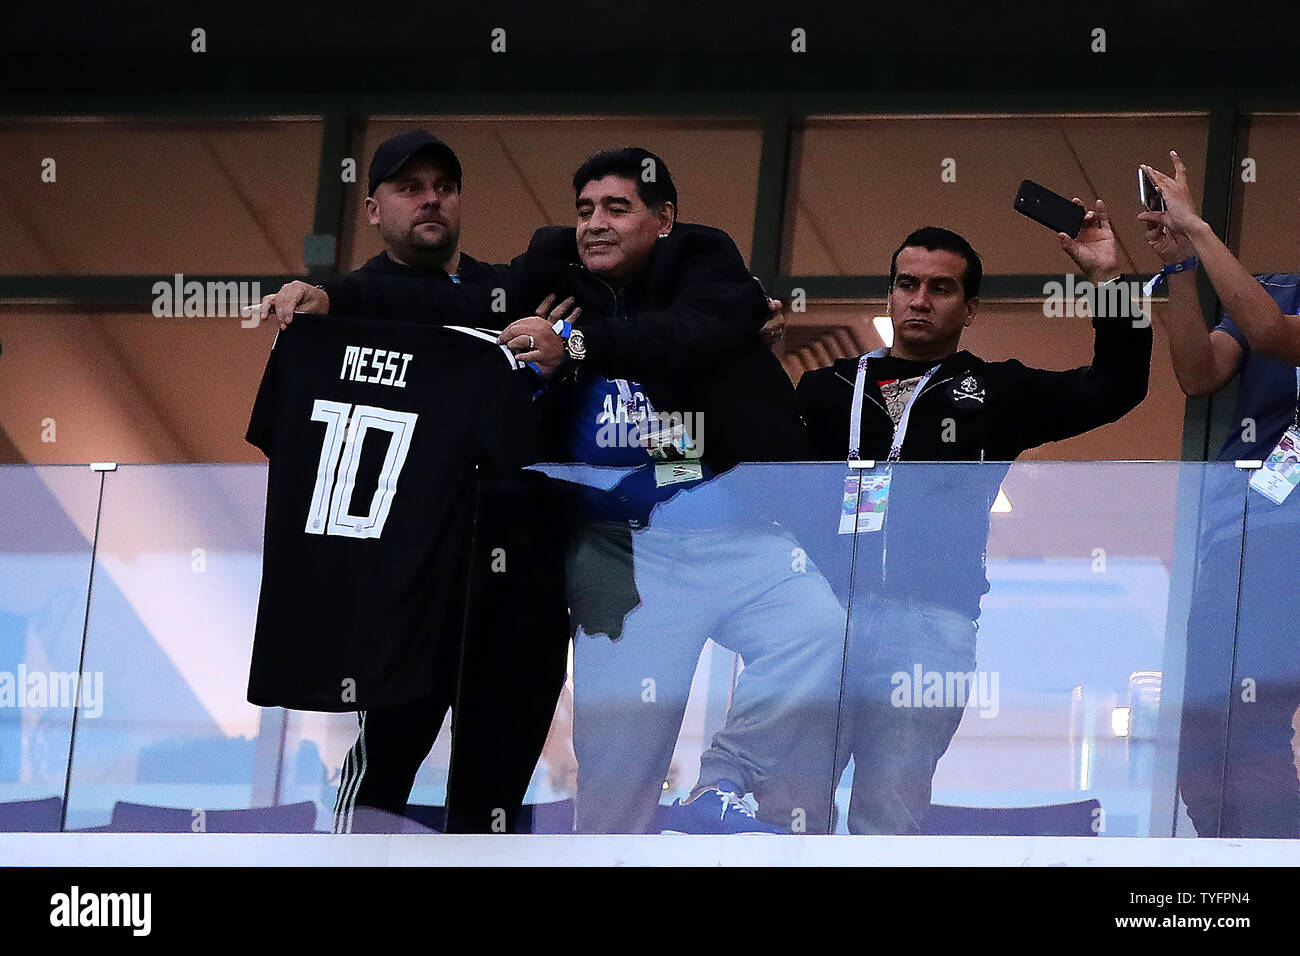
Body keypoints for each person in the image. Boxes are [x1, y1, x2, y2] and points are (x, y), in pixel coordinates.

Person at [498, 147, 848, 835]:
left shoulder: (703, 262)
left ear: (663, 220)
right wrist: (335, 299)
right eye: (585, 210)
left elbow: (693, 330)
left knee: (819, 630)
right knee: (613, 787)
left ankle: (721, 781)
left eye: (617, 208)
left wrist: (573, 344)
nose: (595, 224)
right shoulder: (549, 274)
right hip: (621, 559)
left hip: (740, 534)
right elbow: (452, 297)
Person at [251, 129, 571, 834]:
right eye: (409, 187)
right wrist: (318, 306)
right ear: (370, 208)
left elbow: (587, 304)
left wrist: (564, 346)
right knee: (383, 773)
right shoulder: (344, 305)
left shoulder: (506, 291)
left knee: (495, 789)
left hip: (518, 577)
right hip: (407, 581)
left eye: (445, 187)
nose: (432, 199)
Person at [795, 217, 1152, 833]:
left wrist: (1110, 282)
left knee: (891, 808)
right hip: (818, 614)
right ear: (888, 295)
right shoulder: (825, 388)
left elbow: (1115, 386)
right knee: (789, 800)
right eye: (907, 284)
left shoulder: (995, 391)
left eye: (941, 288)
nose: (919, 299)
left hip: (929, 624)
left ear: (971, 308)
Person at [1139, 151, 1300, 838]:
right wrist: (1178, 267)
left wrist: (1200, 231)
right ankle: (1259, 856)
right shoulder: (1278, 287)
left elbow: (1273, 337)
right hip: (1251, 537)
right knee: (1211, 727)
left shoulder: (1270, 308)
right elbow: (1201, 373)